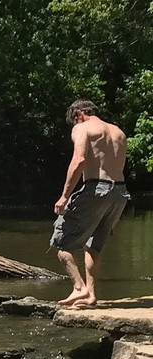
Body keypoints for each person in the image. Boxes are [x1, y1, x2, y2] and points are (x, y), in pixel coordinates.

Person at [50, 100, 129, 308]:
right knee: (94, 245)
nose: (74, 125)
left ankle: (79, 288)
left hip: (96, 188)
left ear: (79, 114)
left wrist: (64, 196)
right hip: (120, 192)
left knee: (61, 242)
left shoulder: (82, 128)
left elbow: (79, 160)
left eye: (74, 120)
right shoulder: (118, 132)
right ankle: (91, 295)